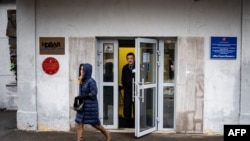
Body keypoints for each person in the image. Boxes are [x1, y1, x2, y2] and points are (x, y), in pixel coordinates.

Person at [75, 63, 111, 141]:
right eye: (80, 69)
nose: (81, 71)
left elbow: (94, 93)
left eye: (83, 70)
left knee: (95, 123)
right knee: (79, 123)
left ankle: (106, 133)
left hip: (90, 106)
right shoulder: (81, 80)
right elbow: (80, 92)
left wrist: (83, 96)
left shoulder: (91, 81)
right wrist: (78, 99)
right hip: (82, 106)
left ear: (87, 70)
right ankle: (79, 139)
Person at [122, 52, 135, 127]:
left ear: (134, 59)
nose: (130, 60)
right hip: (128, 91)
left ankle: (137, 123)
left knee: (136, 106)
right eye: (128, 58)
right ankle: (128, 123)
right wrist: (125, 87)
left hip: (136, 90)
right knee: (127, 106)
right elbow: (123, 79)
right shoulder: (125, 67)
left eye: (131, 58)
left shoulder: (138, 67)